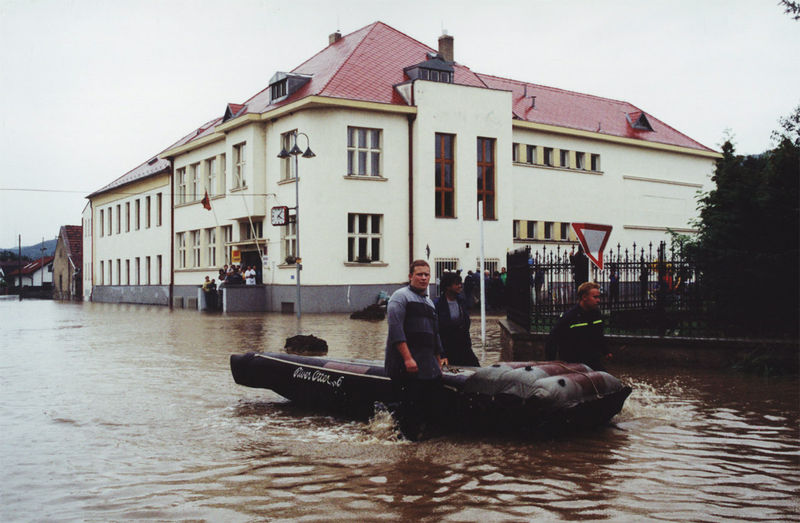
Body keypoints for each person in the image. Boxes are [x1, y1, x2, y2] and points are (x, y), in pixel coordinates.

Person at [385, 259, 446, 440]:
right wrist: (407, 358)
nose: (423, 278)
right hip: (406, 366)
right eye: (419, 274)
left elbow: (435, 335)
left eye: (427, 274)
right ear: (410, 276)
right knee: (408, 413)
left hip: (428, 366)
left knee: (432, 409)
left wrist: (439, 359)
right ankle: (404, 449)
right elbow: (395, 328)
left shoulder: (430, 303)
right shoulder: (400, 297)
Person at [545, 281, 611, 371]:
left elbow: (599, 335)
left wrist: (606, 351)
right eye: (595, 297)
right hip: (573, 363)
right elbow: (552, 339)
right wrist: (550, 362)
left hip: (593, 360)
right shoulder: (569, 316)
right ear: (584, 297)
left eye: (598, 297)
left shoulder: (596, 314)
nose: (598, 300)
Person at [434, 272, 480, 367]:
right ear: (448, 286)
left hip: (464, 347)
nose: (460, 286)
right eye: (456, 284)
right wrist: (441, 353)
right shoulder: (438, 305)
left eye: (460, 283)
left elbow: (466, 325)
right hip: (447, 348)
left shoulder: (461, 302)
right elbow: (436, 331)